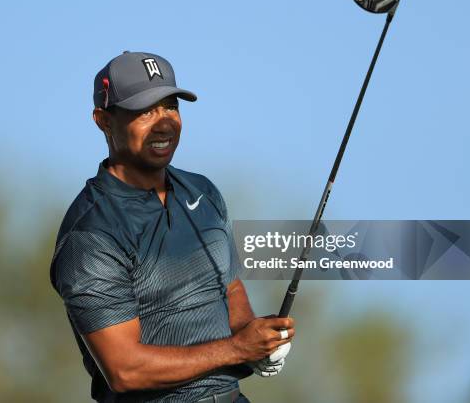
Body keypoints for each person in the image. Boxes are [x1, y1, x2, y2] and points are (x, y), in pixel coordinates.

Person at [50, 51, 295, 402]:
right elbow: (124, 370)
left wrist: (258, 339)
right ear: (103, 120)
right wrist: (238, 349)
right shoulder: (92, 233)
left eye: (170, 106)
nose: (164, 123)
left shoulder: (204, 193)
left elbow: (230, 287)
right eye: (145, 110)